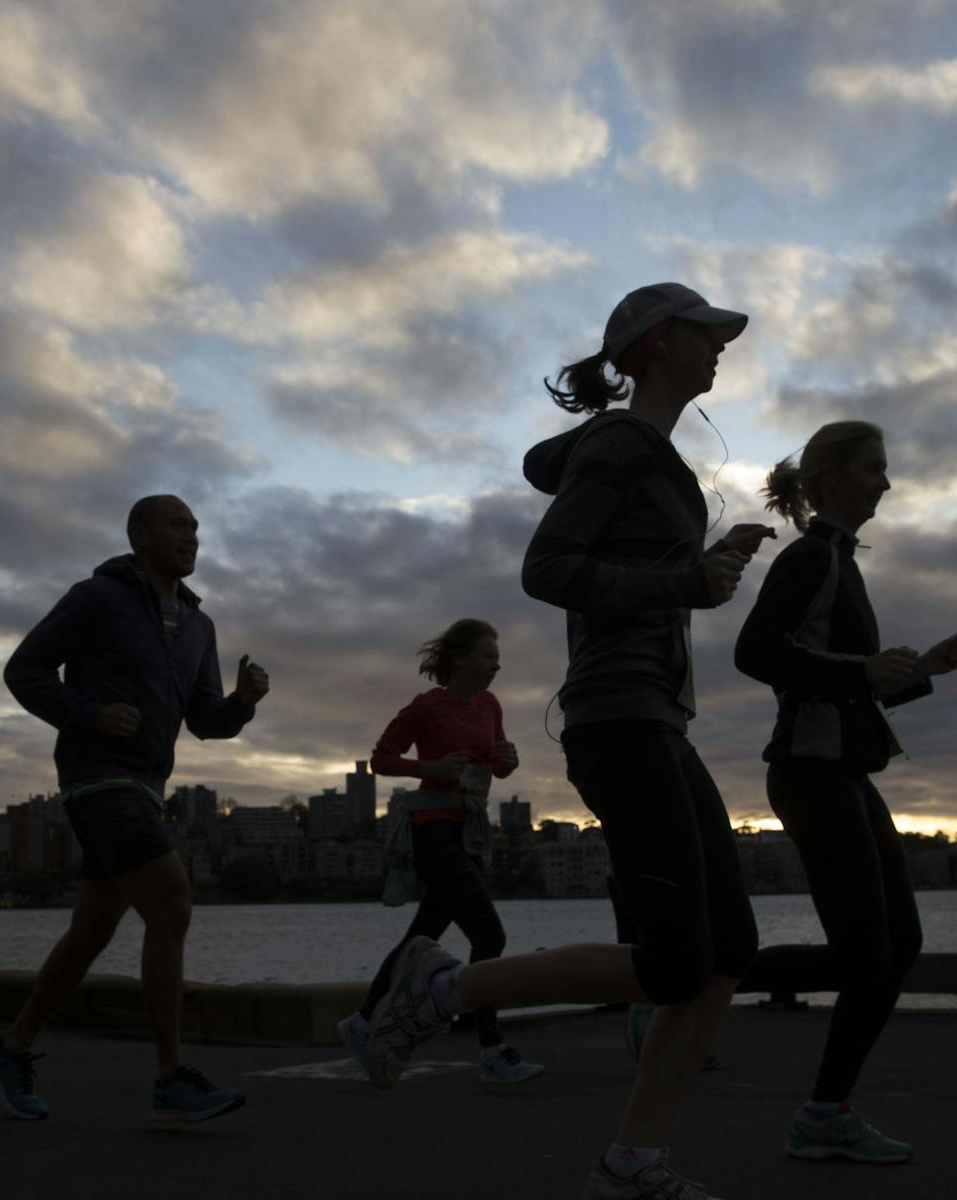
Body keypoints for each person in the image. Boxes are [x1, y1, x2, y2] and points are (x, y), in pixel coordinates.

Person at [363, 283, 774, 1200]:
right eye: (706, 335)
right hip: (617, 717)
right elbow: (547, 568)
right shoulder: (624, 443)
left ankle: (633, 1161)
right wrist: (684, 585)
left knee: (727, 951)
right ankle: (439, 992)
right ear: (660, 343)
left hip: (656, 717)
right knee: (676, 962)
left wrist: (704, 567)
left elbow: (629, 563)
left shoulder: (642, 451)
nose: (720, 351)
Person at [0, 494, 270, 1123]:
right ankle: (170, 1079)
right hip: (95, 777)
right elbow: (23, 669)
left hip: (147, 788)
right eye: (176, 524)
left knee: (92, 931)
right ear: (138, 533)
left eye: (195, 526)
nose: (191, 535)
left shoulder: (199, 625)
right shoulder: (96, 597)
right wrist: (88, 713)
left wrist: (242, 703)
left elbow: (205, 722)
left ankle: (11, 1047)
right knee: (170, 901)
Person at [734, 421, 957, 1165]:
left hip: (843, 771)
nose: (887, 483)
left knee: (898, 947)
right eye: (875, 468)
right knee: (867, 952)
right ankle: (687, 983)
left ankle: (825, 1110)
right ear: (831, 474)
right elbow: (757, 654)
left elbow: (848, 688)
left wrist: (917, 670)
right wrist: (861, 671)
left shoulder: (842, 564)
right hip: (808, 774)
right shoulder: (809, 557)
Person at [340, 619, 542, 1085]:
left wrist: (506, 761)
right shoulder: (427, 707)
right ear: (460, 658)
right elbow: (382, 758)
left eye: (497, 657)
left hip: (468, 832)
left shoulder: (490, 705)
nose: (496, 664)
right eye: (488, 655)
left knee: (421, 936)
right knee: (489, 936)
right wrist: (429, 766)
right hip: (429, 832)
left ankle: (361, 1022)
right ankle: (491, 1048)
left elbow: (494, 766)